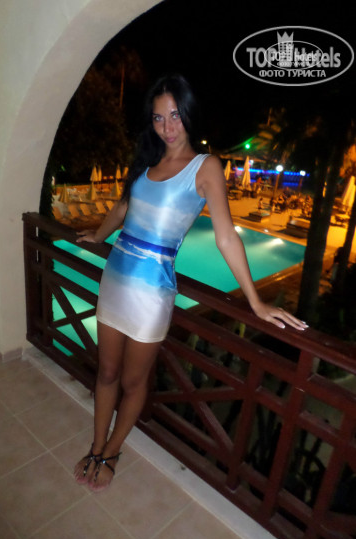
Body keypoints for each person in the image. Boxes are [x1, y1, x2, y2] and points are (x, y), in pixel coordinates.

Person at [74, 74, 308, 492]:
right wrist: (98, 235)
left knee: (132, 381)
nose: (167, 126)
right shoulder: (146, 161)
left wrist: (255, 302)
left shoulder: (206, 167)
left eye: (175, 116)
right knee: (106, 372)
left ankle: (112, 451)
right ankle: (96, 446)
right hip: (116, 278)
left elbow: (226, 236)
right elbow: (123, 207)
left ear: (188, 114)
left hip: (152, 291)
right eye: (158, 117)